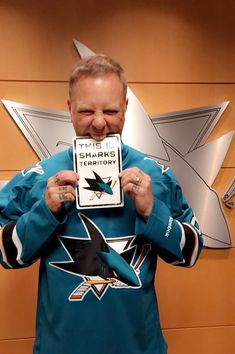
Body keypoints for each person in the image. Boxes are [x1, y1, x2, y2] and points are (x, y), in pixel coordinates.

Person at [0, 55, 203, 354]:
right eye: (86, 111)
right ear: (69, 108)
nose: (98, 123)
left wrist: (152, 212)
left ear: (125, 109)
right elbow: (6, 255)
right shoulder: (39, 179)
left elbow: (191, 252)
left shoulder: (156, 178)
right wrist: (44, 213)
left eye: (110, 110)